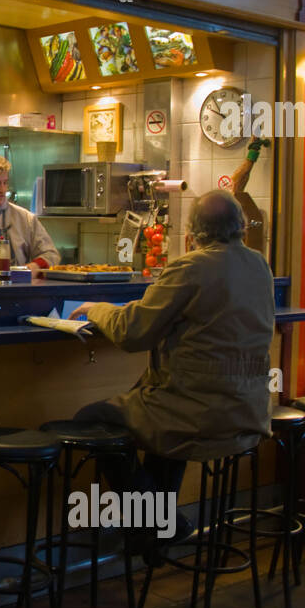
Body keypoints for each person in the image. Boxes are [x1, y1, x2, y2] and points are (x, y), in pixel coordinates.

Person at [68, 191, 275, 553]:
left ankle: (154, 522)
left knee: (93, 419)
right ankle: (155, 528)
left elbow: (134, 333)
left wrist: (97, 309)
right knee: (156, 416)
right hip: (249, 411)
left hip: (198, 412)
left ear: (191, 235)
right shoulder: (260, 265)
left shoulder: (190, 267)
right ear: (241, 228)